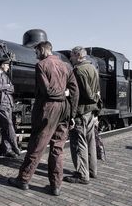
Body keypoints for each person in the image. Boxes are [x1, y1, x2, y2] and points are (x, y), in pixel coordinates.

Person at [7, 41, 79, 196]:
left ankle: (23, 179)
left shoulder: (42, 65)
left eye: (36, 52)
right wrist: (72, 114)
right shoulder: (67, 66)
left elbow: (47, 92)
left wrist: (61, 94)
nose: (36, 55)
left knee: (37, 145)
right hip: (64, 110)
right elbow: (75, 92)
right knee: (57, 149)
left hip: (48, 109)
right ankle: (55, 186)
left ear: (42, 49)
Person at [64, 46, 101, 184]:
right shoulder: (92, 68)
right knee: (90, 141)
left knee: (79, 143)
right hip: (91, 111)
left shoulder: (78, 71)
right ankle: (92, 171)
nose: (70, 58)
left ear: (78, 56)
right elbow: (97, 92)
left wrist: (72, 115)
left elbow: (78, 95)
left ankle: (82, 175)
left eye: (72, 56)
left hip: (81, 111)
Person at [0, 56, 21, 158]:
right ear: (2, 65)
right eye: (7, 65)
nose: (8, 67)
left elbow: (12, 88)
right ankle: (15, 146)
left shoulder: (5, 76)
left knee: (6, 126)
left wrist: (5, 87)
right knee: (8, 123)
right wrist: (6, 87)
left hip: (8, 102)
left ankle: (7, 150)